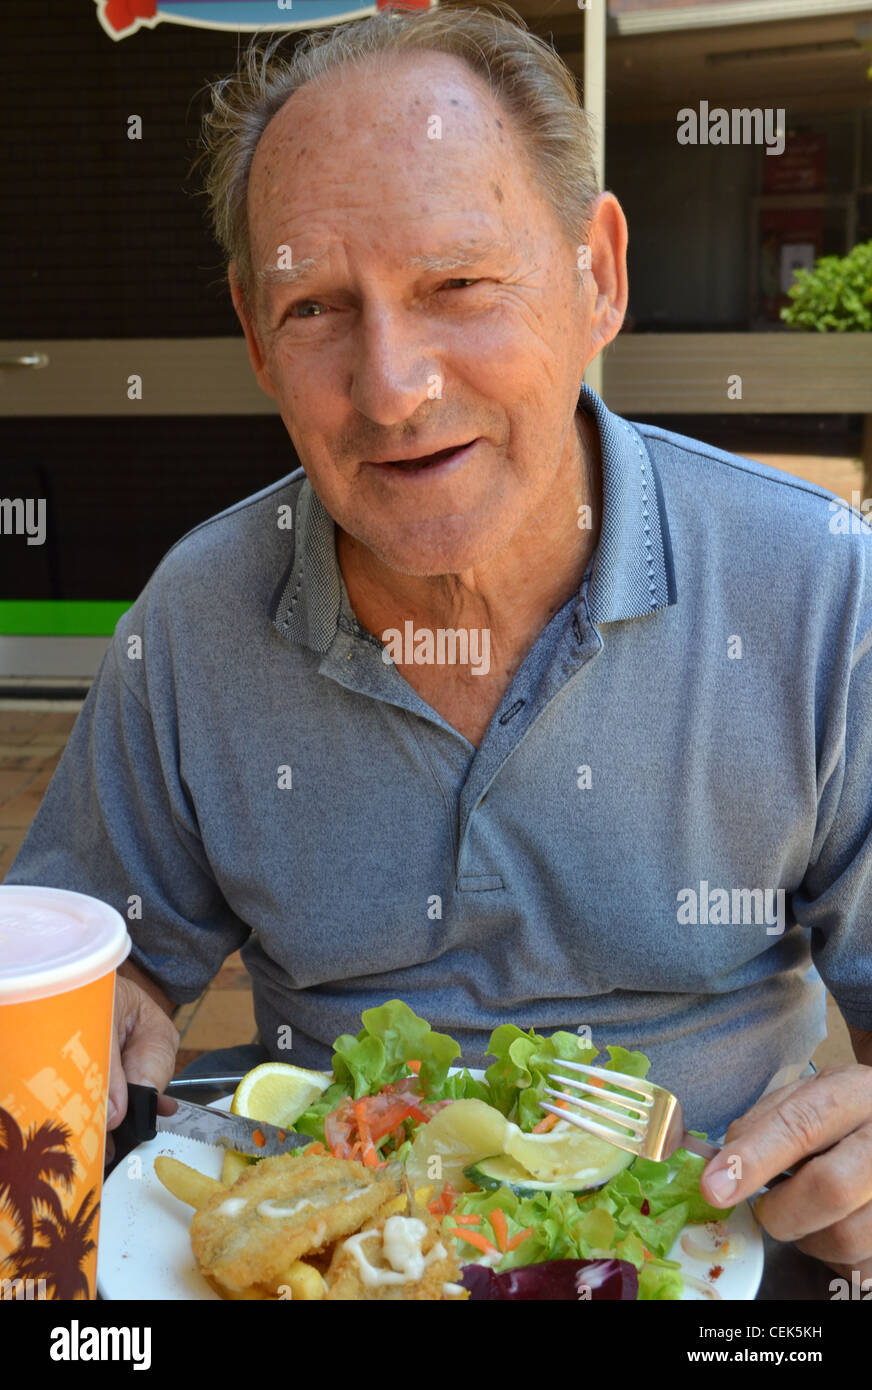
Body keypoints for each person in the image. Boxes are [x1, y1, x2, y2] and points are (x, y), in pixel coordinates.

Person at [6, 4, 871, 1283]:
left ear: (596, 273)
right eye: (315, 309)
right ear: (254, 335)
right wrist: (84, 1035)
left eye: (458, 283)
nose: (393, 384)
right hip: (337, 1240)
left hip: (713, 1260)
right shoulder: (195, 619)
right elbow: (97, 970)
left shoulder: (815, 591)